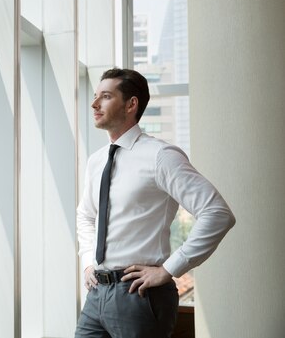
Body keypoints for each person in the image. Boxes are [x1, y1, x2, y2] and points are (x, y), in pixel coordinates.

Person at [75, 68, 235, 338]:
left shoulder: (160, 156)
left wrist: (170, 269)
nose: (94, 104)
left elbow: (217, 213)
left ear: (131, 104)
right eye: (95, 96)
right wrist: (89, 261)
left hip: (139, 295)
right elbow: (86, 216)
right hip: (96, 293)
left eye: (105, 96)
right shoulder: (97, 160)